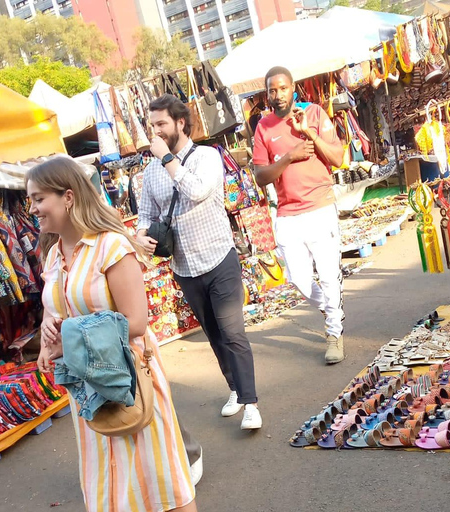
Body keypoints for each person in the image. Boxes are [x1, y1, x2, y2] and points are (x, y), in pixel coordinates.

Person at [28, 157, 197, 512]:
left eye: (39, 198)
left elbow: (135, 321)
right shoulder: (53, 257)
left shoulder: (111, 246)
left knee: (159, 479)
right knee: (111, 485)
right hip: (87, 388)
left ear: (68, 197)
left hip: (129, 375)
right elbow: (57, 308)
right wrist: (48, 334)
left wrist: (70, 335)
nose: (33, 209)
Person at [135, 94, 262, 431]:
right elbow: (145, 214)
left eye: (161, 124)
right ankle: (234, 389)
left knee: (233, 331)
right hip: (184, 268)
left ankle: (251, 403)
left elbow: (198, 191)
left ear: (180, 122)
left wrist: (167, 160)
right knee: (214, 335)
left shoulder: (206, 156)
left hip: (219, 258)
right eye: (152, 126)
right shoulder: (151, 172)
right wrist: (140, 234)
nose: (156, 132)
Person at [252, 66, 347, 365]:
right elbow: (260, 176)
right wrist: (289, 156)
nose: (277, 95)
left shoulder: (315, 114)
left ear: (293, 88)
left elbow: (338, 158)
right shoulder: (263, 128)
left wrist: (307, 132)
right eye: (272, 90)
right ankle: (332, 308)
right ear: (267, 94)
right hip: (288, 213)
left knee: (329, 275)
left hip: (320, 206)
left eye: (282, 88)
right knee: (298, 279)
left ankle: (334, 333)